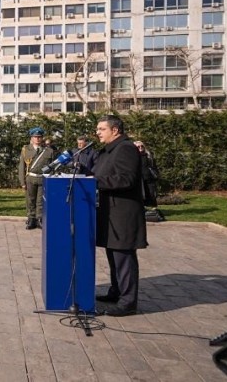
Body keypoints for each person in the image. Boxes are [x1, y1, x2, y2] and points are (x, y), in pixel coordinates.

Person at [92, 115, 147, 317]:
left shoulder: (125, 148)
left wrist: (96, 181)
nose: (97, 132)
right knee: (113, 256)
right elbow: (102, 173)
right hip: (110, 213)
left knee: (124, 258)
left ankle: (127, 302)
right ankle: (116, 291)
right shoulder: (109, 150)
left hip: (123, 214)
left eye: (101, 129)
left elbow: (127, 179)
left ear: (115, 130)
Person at [18, 127, 55, 230]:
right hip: (30, 178)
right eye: (35, 137)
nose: (38, 139)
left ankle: (39, 219)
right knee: (30, 199)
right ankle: (31, 219)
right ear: (31, 138)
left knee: (40, 200)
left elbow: (52, 167)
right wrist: (22, 182)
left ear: (42, 138)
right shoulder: (26, 149)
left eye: (39, 137)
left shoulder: (49, 151)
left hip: (43, 179)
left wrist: (51, 179)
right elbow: (22, 166)